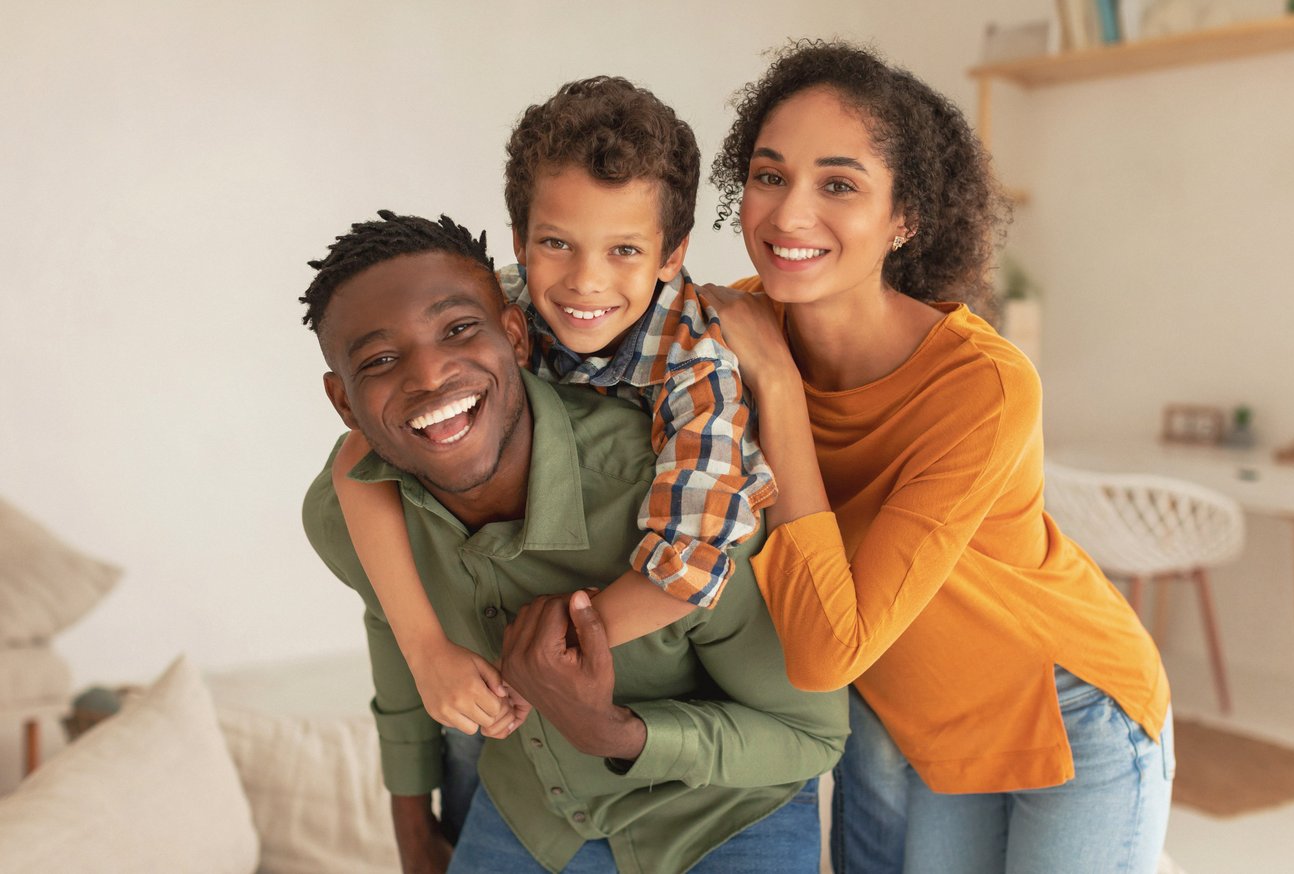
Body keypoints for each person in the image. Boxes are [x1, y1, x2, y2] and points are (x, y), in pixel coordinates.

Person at [699, 39, 1174, 874]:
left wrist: (778, 386)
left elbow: (826, 650)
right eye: (770, 175)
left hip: (1068, 710)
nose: (787, 215)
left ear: (905, 217)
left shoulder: (981, 386)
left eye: (838, 185)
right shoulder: (736, 323)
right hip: (915, 722)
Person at [299, 210, 847, 873]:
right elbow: (392, 622)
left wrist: (611, 732)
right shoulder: (349, 516)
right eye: (381, 360)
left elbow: (811, 736)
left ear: (514, 336)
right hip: (535, 812)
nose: (429, 375)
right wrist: (412, 828)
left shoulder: (685, 505)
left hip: (724, 812)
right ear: (344, 403)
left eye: (458, 329)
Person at [328, 77, 776, 741]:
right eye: (557, 244)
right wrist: (426, 650)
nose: (585, 281)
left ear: (672, 255)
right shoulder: (494, 314)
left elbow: (688, 565)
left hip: (678, 679)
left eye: (624, 250)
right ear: (519, 240)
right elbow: (357, 459)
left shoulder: (700, 372)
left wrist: (540, 663)